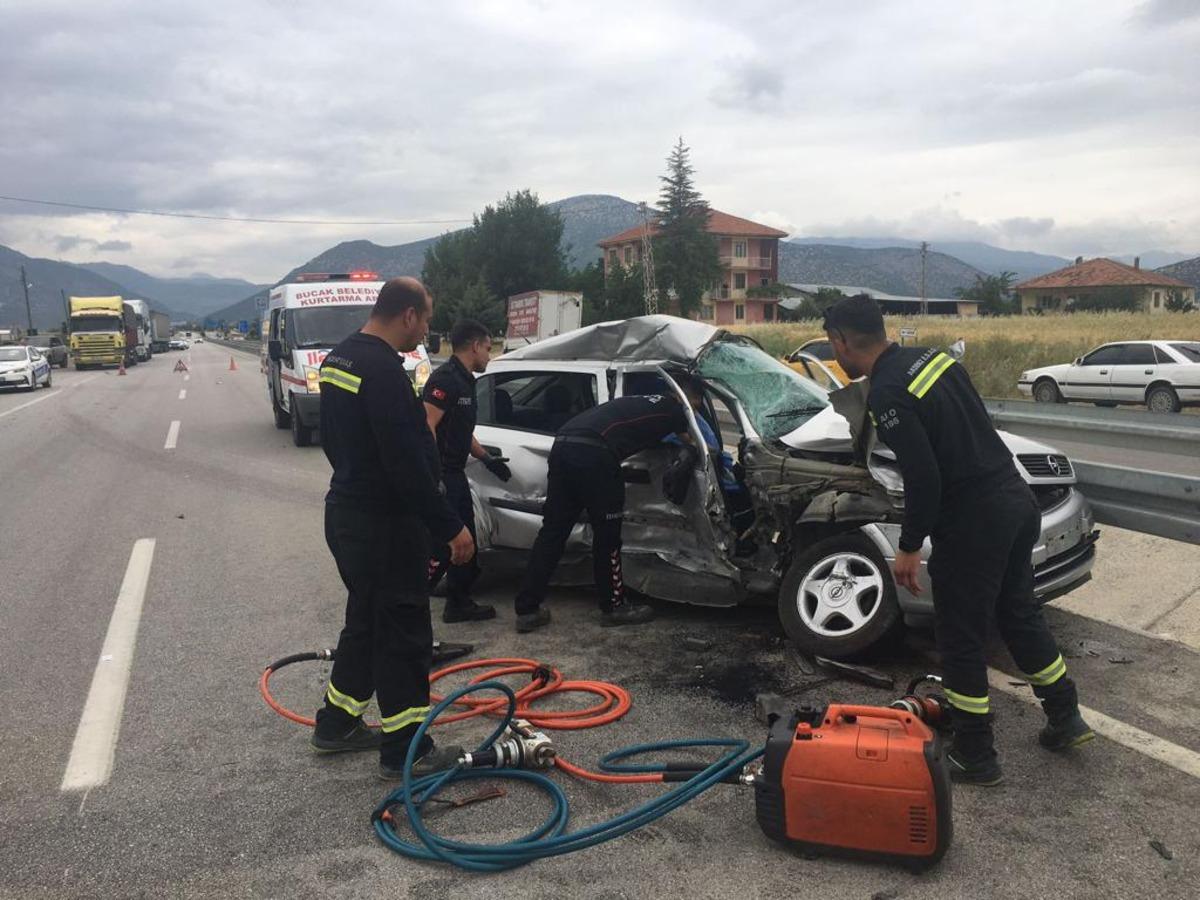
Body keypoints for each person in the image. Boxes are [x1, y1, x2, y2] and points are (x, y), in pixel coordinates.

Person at [823, 294, 1093, 786]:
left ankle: (974, 753)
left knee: (959, 636)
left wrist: (908, 544)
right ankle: (1066, 717)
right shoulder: (934, 357)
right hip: (1016, 501)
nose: (833, 353)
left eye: (831, 344)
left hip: (974, 521)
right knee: (1018, 612)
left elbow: (924, 479)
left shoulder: (887, 393)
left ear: (841, 341)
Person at [310, 277, 474, 780]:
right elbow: (407, 465)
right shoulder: (383, 371)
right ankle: (409, 750)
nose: (425, 332)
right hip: (383, 525)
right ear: (407, 315)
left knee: (366, 619)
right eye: (425, 320)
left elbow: (337, 441)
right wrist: (451, 528)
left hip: (347, 513)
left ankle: (336, 724)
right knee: (404, 632)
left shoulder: (340, 359)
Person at [513, 391, 697, 632]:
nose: (697, 409)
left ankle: (527, 609)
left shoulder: (638, 401)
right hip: (595, 454)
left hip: (563, 444)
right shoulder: (675, 409)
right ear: (687, 397)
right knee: (607, 536)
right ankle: (614, 606)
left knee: (553, 532)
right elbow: (693, 444)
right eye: (698, 402)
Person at [423, 319, 511, 623]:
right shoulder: (445, 379)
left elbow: (461, 432)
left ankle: (458, 603)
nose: (490, 355)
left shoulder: (467, 381)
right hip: (443, 476)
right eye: (488, 348)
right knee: (446, 546)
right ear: (474, 346)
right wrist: (433, 476)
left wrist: (487, 459)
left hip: (456, 475)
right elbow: (427, 425)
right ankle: (408, 601)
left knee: (467, 546)